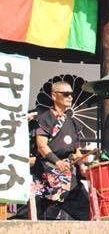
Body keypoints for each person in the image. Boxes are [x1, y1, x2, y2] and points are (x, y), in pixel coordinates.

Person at [31, 81, 90, 220]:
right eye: (66, 94)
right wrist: (57, 162)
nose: (70, 97)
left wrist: (82, 166)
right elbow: (42, 146)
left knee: (87, 212)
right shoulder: (45, 118)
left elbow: (76, 152)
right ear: (54, 96)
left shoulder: (73, 123)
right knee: (46, 215)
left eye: (71, 94)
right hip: (47, 173)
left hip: (67, 175)